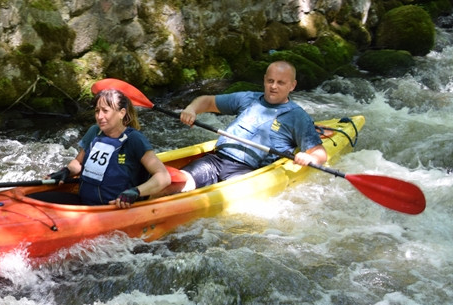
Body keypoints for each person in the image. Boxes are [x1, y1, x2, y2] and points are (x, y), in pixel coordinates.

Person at [177, 60, 327, 190]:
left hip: (248, 172)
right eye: (270, 81)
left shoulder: (297, 117)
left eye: (280, 82)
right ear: (264, 80)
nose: (273, 86)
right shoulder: (247, 98)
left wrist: (310, 158)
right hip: (216, 160)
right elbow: (207, 101)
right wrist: (192, 109)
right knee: (177, 184)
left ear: (292, 85)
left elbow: (320, 152)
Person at [49, 87, 171, 207]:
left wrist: (135, 192)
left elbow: (163, 176)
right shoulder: (94, 131)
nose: (100, 116)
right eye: (97, 111)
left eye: (105, 111)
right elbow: (78, 163)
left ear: (121, 113)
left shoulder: (134, 139)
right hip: (84, 203)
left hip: (114, 208)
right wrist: (67, 170)